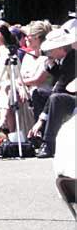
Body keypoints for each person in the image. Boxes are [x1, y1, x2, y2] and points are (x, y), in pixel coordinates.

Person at [28, 28, 76, 158]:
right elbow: (61, 77)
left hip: (73, 96)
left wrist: (41, 119)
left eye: (52, 49)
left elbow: (59, 87)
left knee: (55, 98)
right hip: (68, 91)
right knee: (38, 94)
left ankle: (49, 144)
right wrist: (51, 64)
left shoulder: (72, 59)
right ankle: (40, 134)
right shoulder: (65, 58)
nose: (49, 52)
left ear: (61, 49)